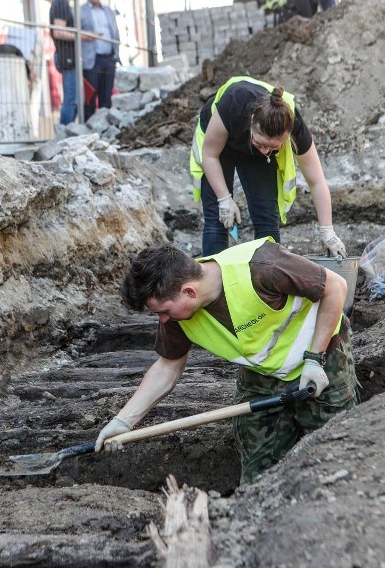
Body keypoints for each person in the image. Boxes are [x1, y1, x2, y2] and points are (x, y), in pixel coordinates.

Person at [95, 237, 359, 484]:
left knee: (335, 456)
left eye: (163, 311)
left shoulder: (261, 266)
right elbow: (167, 366)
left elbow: (335, 286)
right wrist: (124, 421)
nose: (162, 320)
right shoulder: (178, 316)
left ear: (188, 291)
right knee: (259, 472)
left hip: (323, 359)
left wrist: (314, 358)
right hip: (261, 374)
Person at [190, 76, 347, 257]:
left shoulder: (294, 124)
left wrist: (327, 231)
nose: (266, 151)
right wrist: (224, 198)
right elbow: (209, 155)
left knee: (266, 218)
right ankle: (213, 282)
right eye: (261, 144)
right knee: (217, 219)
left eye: (273, 147)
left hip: (252, 154)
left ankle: (268, 279)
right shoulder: (233, 104)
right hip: (219, 146)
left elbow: (317, 181)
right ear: (251, 123)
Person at [48, 0, 95, 125]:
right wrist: (83, 36)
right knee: (71, 100)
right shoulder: (60, 4)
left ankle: (67, 132)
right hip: (68, 58)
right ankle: (64, 134)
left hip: (70, 58)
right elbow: (58, 32)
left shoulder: (62, 4)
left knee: (75, 100)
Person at [81, 0, 119, 121]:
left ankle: (106, 131)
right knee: (90, 98)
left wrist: (115, 56)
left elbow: (115, 33)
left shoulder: (109, 11)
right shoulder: (81, 11)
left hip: (108, 59)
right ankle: (88, 129)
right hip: (91, 61)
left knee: (106, 97)